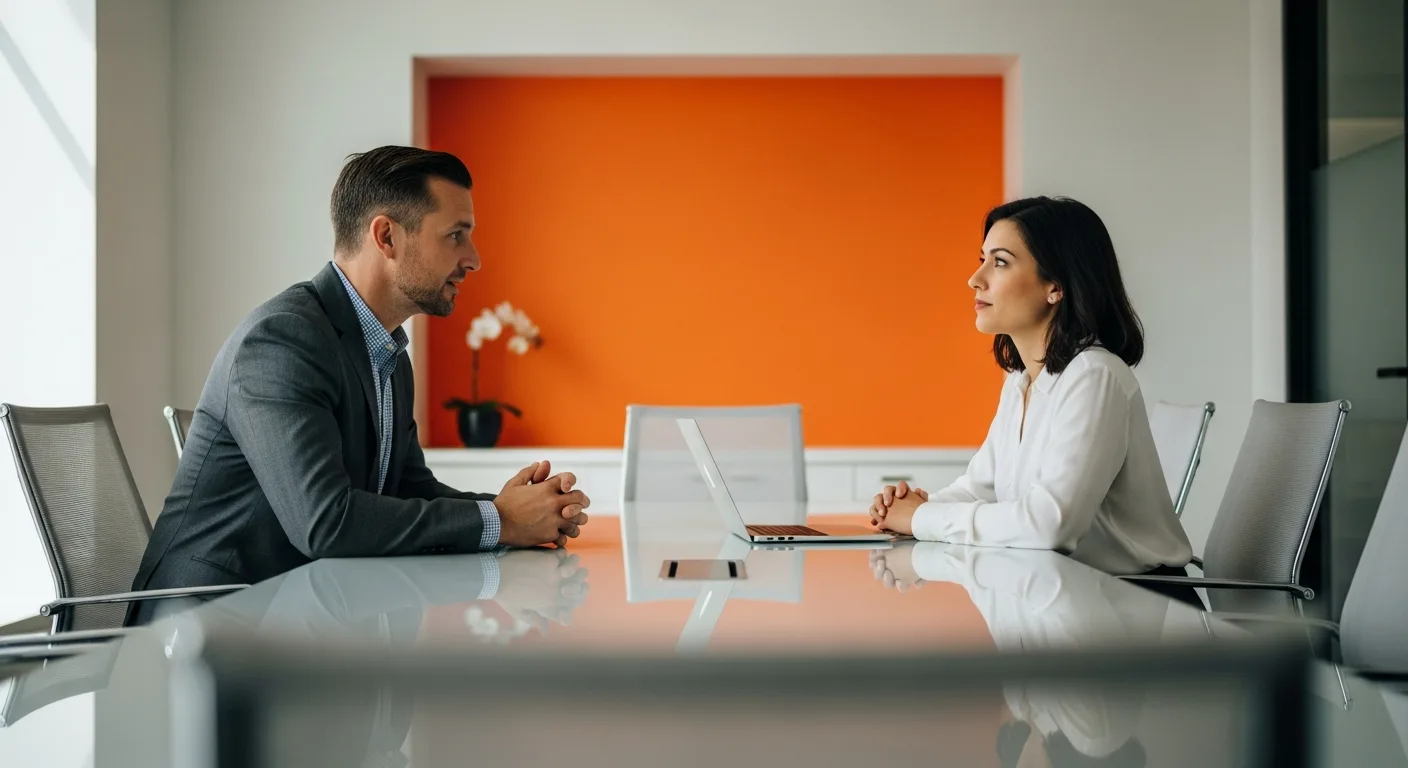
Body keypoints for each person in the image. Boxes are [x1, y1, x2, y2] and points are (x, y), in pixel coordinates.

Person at [129, 146, 589, 622]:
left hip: (295, 617)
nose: (473, 260)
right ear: (386, 236)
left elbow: (409, 489)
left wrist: (514, 510)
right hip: (206, 632)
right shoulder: (283, 340)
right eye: (456, 236)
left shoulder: (386, 351)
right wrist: (501, 522)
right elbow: (326, 522)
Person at [867, 196, 1194, 590]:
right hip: (1068, 595)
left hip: (1140, 610)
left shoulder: (1095, 375)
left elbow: (1049, 524)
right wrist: (913, 507)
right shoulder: (1021, 382)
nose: (976, 278)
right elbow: (979, 488)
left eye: (1000, 262)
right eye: (982, 258)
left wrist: (920, 519)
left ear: (1055, 286)